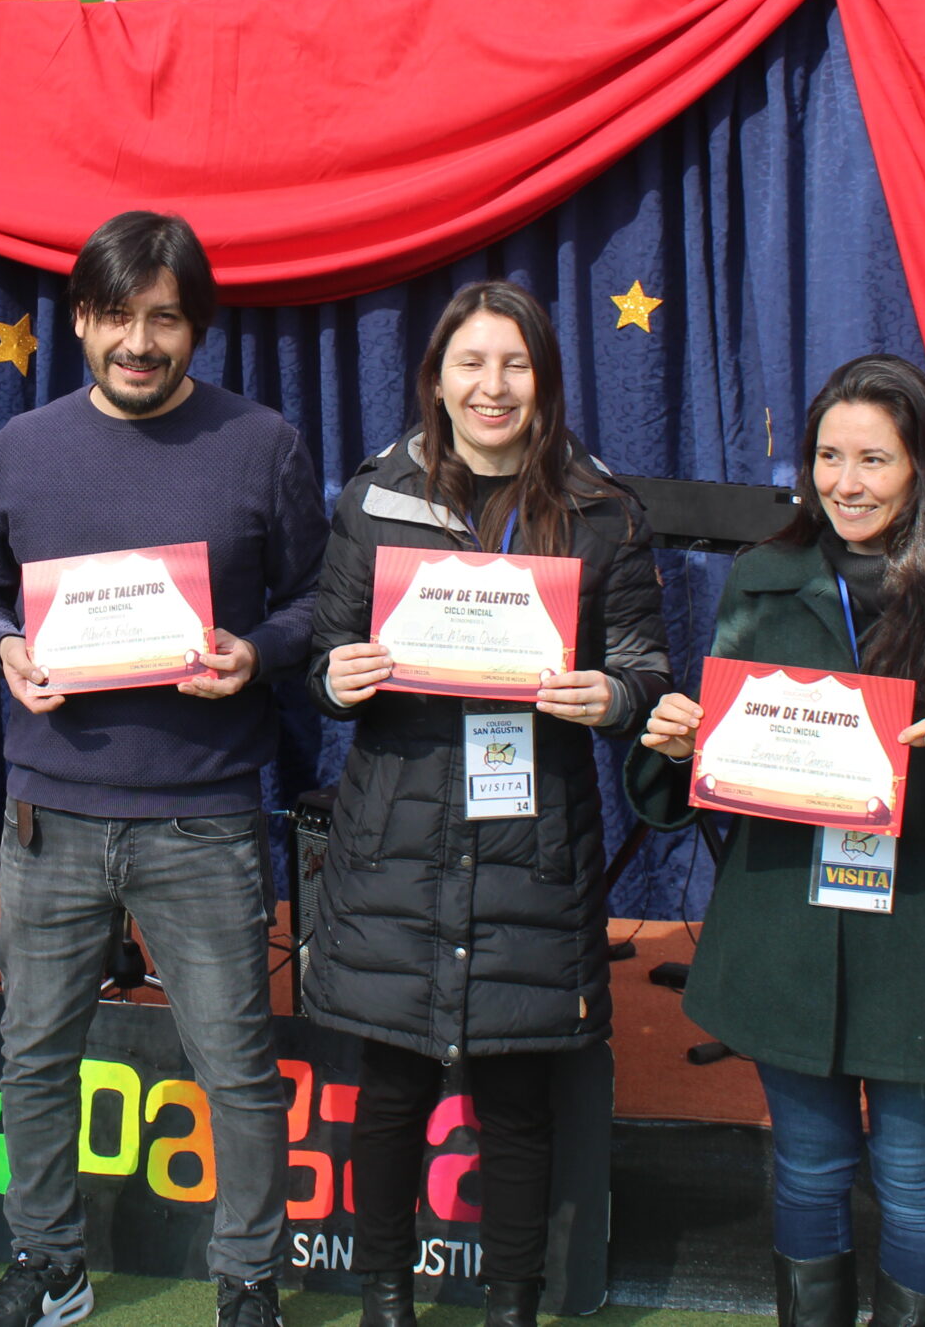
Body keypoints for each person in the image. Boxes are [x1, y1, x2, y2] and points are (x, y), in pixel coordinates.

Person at [630, 354, 925, 1327]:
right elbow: (729, 747)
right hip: (786, 927)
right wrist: (680, 745)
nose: (845, 482)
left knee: (915, 1175)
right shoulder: (763, 578)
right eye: (828, 457)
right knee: (807, 1165)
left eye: (873, 459)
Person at [0, 211, 325, 1327]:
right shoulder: (22, 447)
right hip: (48, 816)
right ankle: (50, 1265)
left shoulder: (263, 443)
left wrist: (259, 652)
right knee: (34, 1057)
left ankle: (247, 1280)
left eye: (163, 319)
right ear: (80, 320)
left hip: (204, 817)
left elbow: (318, 604)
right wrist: (1, 650)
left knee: (236, 1067)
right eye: (117, 316)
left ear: (195, 327)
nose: (139, 342)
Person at [303, 282, 668, 1327]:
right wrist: (339, 678)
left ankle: (513, 1305)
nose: (492, 386)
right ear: (437, 378)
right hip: (397, 838)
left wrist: (612, 697)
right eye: (470, 363)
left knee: (515, 1100)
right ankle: (384, 1300)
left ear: (543, 379)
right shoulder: (376, 499)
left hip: (531, 841)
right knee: (388, 1095)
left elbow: (645, 669)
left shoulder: (601, 511)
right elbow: (323, 656)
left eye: (514, 364)